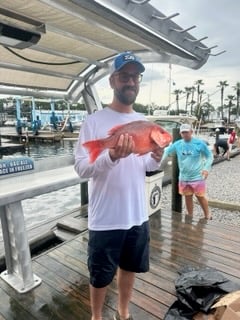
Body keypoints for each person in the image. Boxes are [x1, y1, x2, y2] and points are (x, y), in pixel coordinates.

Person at [74, 51, 164, 320]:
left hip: (137, 215)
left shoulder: (144, 123)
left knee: (129, 267)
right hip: (105, 219)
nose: (131, 82)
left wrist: (157, 157)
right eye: (124, 76)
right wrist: (111, 155)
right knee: (100, 275)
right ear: (112, 81)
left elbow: (146, 166)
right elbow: (81, 169)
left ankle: (123, 312)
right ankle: (97, 316)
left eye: (135, 77)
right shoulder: (94, 122)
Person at [160, 123, 213, 219]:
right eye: (183, 132)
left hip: (198, 176)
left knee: (200, 196)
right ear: (180, 133)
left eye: (187, 132)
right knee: (187, 197)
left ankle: (207, 215)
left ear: (191, 132)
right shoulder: (177, 144)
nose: (185, 134)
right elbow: (166, 151)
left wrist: (206, 168)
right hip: (184, 178)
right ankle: (190, 215)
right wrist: (158, 161)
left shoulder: (199, 143)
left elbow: (210, 156)